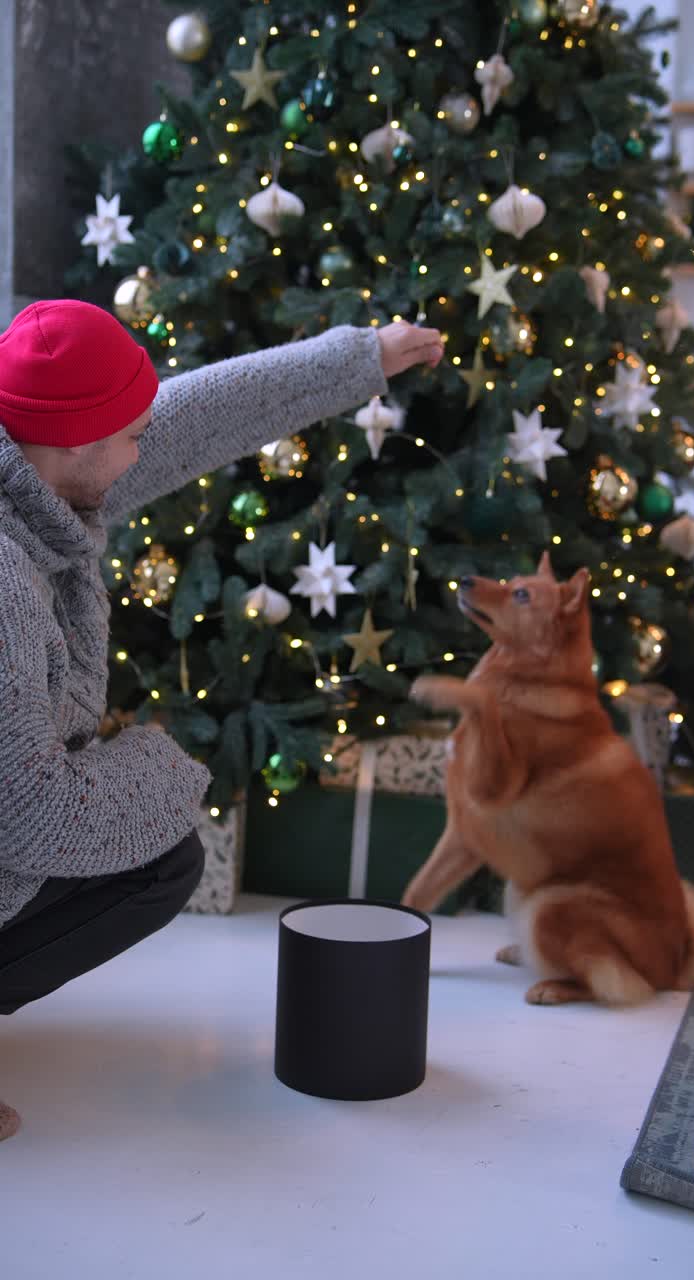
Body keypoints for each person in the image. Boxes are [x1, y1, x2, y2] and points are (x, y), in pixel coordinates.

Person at [0, 300, 444, 1139]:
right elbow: (25, 814)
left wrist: (361, 359)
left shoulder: (33, 456)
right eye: (128, 435)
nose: (143, 451)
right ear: (69, 442)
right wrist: (169, 762)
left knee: (155, 845)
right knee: (157, 857)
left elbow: (195, 416)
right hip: (12, 808)